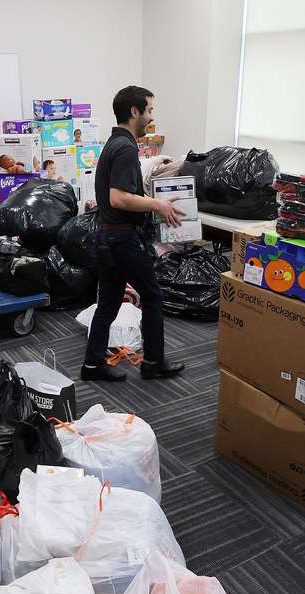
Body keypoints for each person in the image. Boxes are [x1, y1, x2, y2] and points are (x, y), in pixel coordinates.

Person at [80, 85, 183, 382]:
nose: (152, 117)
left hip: (109, 238)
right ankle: (153, 363)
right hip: (123, 240)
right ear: (134, 111)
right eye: (149, 110)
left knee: (109, 303)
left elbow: (122, 195)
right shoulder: (125, 148)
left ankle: (92, 365)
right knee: (152, 296)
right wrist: (157, 204)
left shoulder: (115, 143)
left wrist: (152, 202)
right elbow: (119, 198)